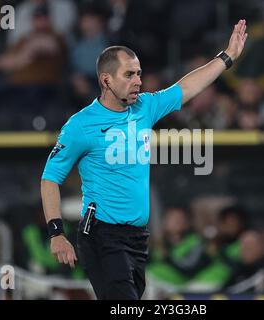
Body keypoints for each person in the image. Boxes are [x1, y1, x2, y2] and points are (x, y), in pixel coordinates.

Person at [40, 20, 248, 300]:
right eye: (129, 74)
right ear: (106, 80)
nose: (138, 80)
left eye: (138, 73)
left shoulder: (144, 108)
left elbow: (185, 88)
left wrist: (227, 57)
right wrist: (56, 233)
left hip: (137, 237)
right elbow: (50, 177)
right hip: (102, 236)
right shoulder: (81, 126)